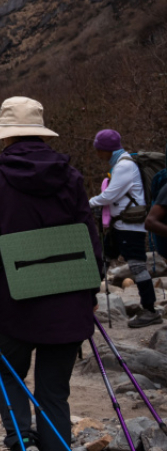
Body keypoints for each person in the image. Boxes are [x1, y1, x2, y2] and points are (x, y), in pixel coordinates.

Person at [0, 96, 100, 451]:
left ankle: (21, 438)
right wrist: (91, 295)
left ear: (5, 136)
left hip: (17, 304)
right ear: (41, 133)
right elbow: (90, 238)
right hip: (70, 299)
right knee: (53, 392)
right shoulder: (71, 176)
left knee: (5, 372)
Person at [89, 128, 160, 328]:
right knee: (102, 258)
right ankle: (87, 298)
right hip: (122, 225)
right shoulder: (122, 163)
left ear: (107, 150)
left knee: (137, 266)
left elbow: (110, 195)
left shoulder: (124, 166)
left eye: (99, 150)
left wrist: (88, 202)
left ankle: (150, 310)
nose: (97, 154)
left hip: (130, 227)